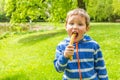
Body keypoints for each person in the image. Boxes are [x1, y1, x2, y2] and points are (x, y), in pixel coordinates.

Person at [53, 8, 108, 80]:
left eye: (80, 24)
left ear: (87, 28)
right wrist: (65, 56)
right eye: (71, 23)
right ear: (66, 26)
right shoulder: (61, 46)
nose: (75, 27)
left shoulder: (93, 45)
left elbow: (101, 68)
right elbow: (59, 69)